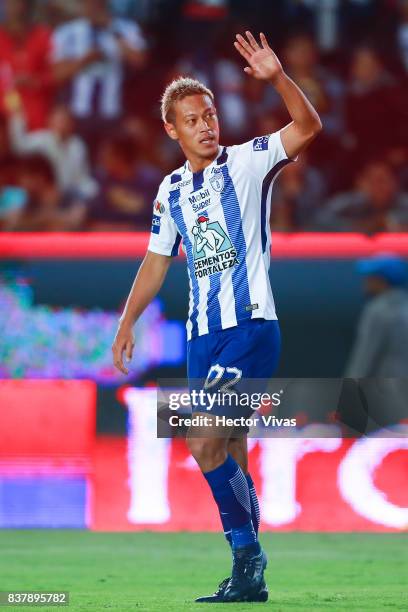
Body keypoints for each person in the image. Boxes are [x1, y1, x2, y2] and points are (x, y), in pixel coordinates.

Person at [112, 31, 321, 603]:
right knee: (228, 450)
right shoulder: (171, 189)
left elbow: (307, 129)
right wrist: (127, 321)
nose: (206, 124)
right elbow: (156, 262)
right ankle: (247, 570)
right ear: (171, 130)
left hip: (250, 327)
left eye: (209, 114)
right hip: (201, 338)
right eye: (192, 118)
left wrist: (277, 77)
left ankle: (250, 558)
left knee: (203, 439)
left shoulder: (250, 162)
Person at [51, 0, 146, 150]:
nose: (94, 5)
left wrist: (111, 30)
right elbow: (57, 74)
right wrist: (85, 60)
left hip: (113, 113)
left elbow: (139, 60)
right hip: (78, 114)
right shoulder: (68, 31)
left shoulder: (126, 28)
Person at [345, 254, 408, 378]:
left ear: (381, 281)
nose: (366, 282)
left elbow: (365, 356)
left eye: (370, 278)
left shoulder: (378, 311)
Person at [0, 0, 53, 130]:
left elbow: (55, 73)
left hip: (38, 119)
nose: (14, 7)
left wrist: (36, 81)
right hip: (4, 121)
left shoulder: (43, 36)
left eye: (19, 3)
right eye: (9, 3)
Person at [315, 160, 408, 233]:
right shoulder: (349, 203)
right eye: (373, 181)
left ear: (394, 182)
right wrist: (369, 225)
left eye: (383, 180)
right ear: (361, 183)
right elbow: (318, 222)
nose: (379, 187)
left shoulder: (403, 204)